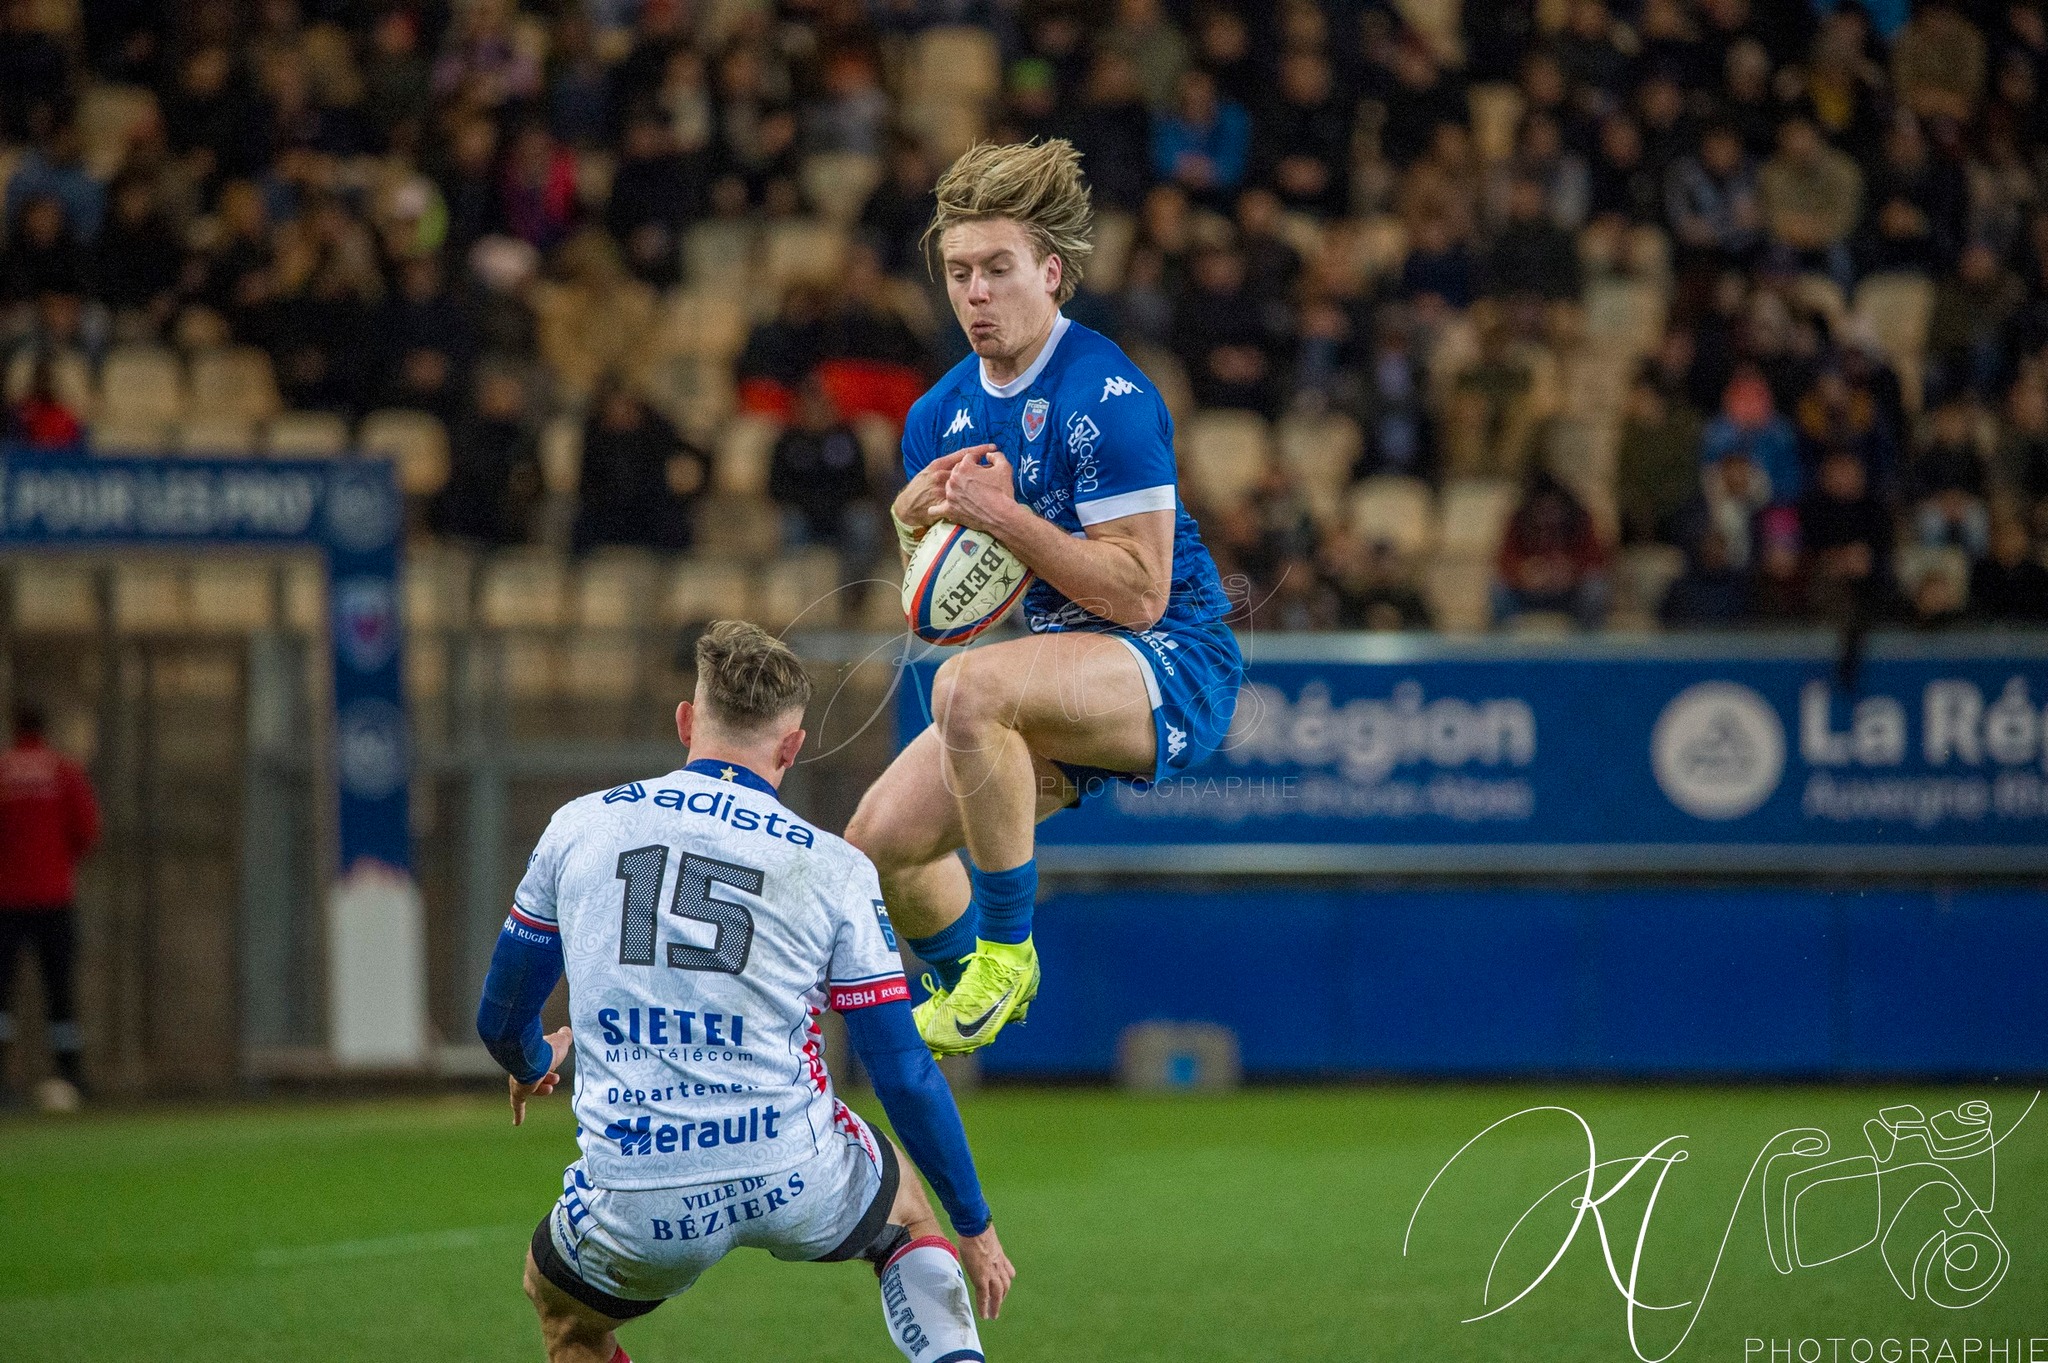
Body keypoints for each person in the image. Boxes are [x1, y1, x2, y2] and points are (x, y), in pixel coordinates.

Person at [480, 622, 1012, 1363]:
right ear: (790, 749)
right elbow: (901, 1070)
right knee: (912, 1217)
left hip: (644, 1185)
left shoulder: (580, 827)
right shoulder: (833, 867)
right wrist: (976, 1225)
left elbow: (500, 1017)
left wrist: (533, 1053)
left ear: (686, 721)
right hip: (793, 1169)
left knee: (562, 1310)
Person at [848, 139, 1242, 1055]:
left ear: (1051, 273)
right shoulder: (936, 415)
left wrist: (1007, 516)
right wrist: (916, 530)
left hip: (1170, 664)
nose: (976, 292)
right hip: (1066, 667)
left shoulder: (1105, 394)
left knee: (966, 695)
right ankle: (973, 993)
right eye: (958, 272)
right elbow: (957, 612)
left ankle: (1005, 954)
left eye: (998, 268)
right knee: (877, 844)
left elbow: (1141, 596)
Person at [0, 704, 100, 1113]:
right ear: (45, 728)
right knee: (60, 991)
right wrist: (58, 862)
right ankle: (69, 1074)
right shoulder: (63, 770)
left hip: (5, 901)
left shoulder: (3, 772)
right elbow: (89, 830)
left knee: (2, 993)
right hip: (54, 898)